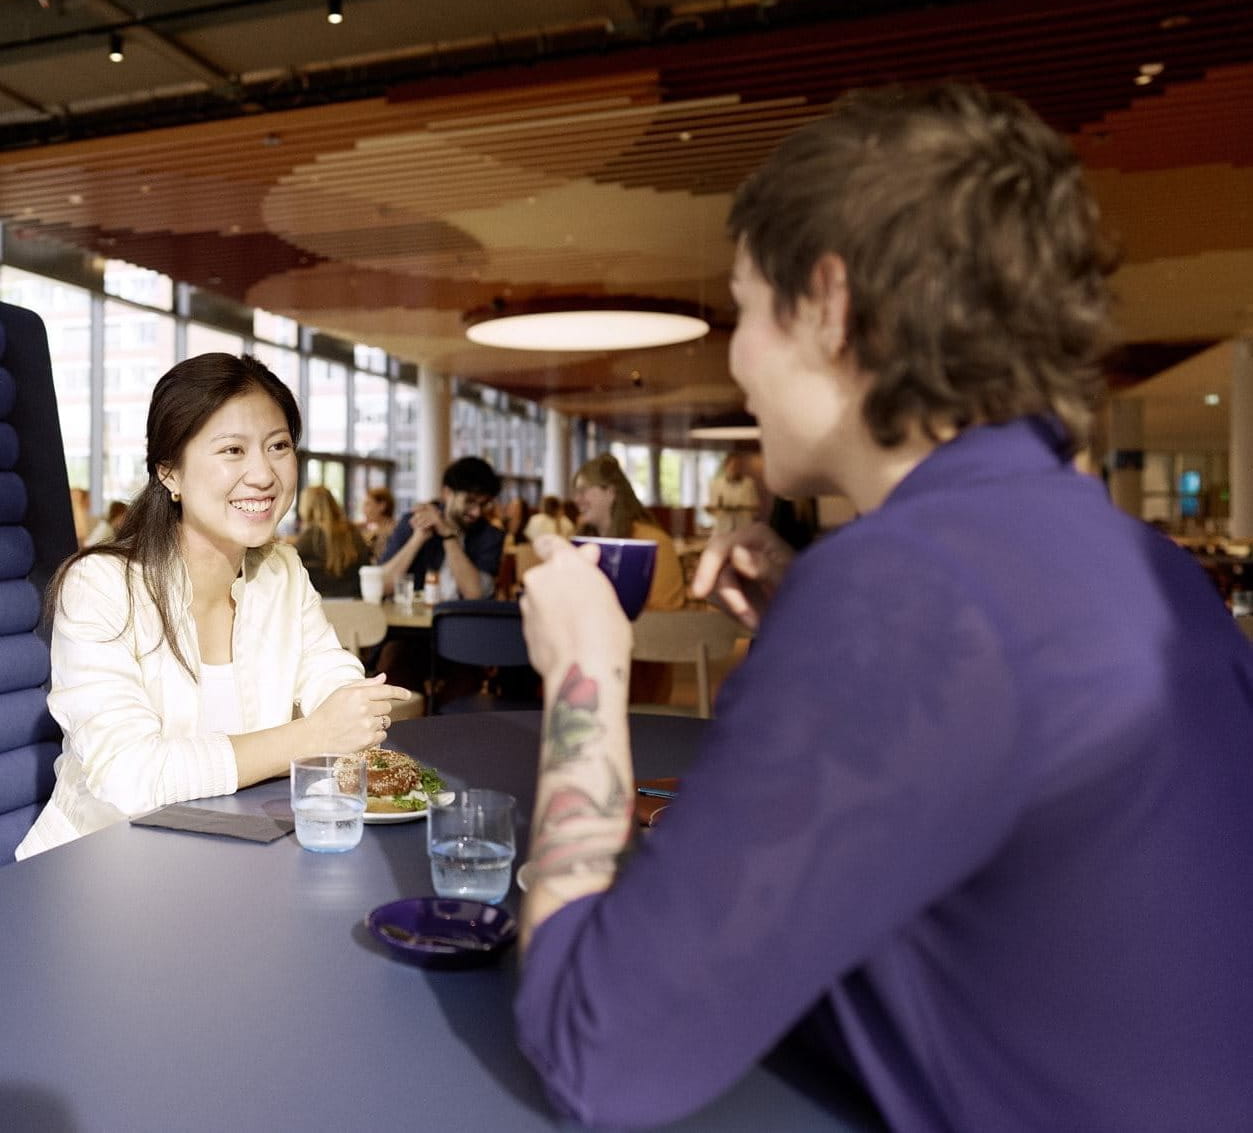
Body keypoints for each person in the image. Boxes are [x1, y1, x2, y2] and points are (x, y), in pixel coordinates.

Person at [512, 84, 1253, 1129]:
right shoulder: (1140, 565)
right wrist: (812, 637)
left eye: (742, 308)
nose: (733, 358)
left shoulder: (911, 589)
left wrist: (584, 666)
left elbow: (598, 1049)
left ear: (826, 301)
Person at [16, 354, 410, 860]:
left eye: (279, 446)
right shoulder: (101, 585)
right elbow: (130, 778)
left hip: (235, 854)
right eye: (232, 450)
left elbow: (329, 676)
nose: (263, 475)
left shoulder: (281, 570)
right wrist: (314, 734)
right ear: (169, 472)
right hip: (102, 865)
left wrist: (351, 708)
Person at [571, 452, 685, 704]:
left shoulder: (653, 543)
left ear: (611, 492)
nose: (576, 499)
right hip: (587, 669)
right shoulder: (580, 541)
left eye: (584, 490)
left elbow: (666, 617)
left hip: (640, 675)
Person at [376, 456, 504, 602]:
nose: (477, 512)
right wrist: (418, 538)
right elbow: (381, 586)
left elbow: (474, 594)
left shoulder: (489, 536)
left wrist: (448, 537)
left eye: (483, 504)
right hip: (411, 620)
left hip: (464, 621)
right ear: (447, 493)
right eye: (469, 502)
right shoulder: (414, 522)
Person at [293, 484, 373, 598]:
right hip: (355, 602)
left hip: (320, 605)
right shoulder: (352, 532)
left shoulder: (310, 537)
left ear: (306, 506)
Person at [704, 452, 760, 534]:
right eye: (733, 466)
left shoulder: (748, 484)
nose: (735, 469)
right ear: (726, 466)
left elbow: (756, 508)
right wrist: (720, 508)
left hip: (743, 527)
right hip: (723, 528)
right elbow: (713, 508)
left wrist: (742, 508)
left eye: (738, 466)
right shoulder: (716, 484)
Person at [360, 485, 397, 562]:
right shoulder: (371, 532)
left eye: (368, 504)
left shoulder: (394, 532)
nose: (363, 510)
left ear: (382, 506)